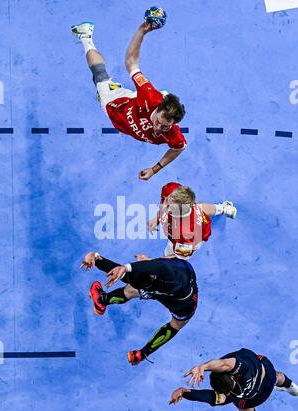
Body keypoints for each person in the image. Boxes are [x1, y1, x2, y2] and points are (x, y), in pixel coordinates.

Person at [71, 21, 187, 180]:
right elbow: (131, 63)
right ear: (158, 108)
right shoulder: (149, 96)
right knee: (99, 76)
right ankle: (85, 36)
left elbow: (177, 148)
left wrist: (155, 169)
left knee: (102, 86)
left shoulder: (174, 135)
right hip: (117, 104)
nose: (159, 128)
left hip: (129, 116)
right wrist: (141, 32)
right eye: (159, 121)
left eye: (165, 126)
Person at [80, 251, 198, 365]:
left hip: (183, 301)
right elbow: (124, 272)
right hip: (169, 276)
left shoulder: (169, 276)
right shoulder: (158, 268)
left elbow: (160, 267)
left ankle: (144, 352)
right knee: (132, 287)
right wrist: (95, 258)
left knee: (176, 324)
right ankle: (102, 300)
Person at [169, 347, 298, 411]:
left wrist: (184, 393)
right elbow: (224, 364)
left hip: (255, 398)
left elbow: (209, 397)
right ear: (234, 376)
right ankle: (290, 386)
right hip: (267, 377)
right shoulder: (244, 368)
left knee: (243, 406)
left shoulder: (229, 395)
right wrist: (203, 366)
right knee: (277, 376)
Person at [147, 182, 237, 259]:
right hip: (194, 218)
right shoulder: (175, 193)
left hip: (195, 237)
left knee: (169, 254)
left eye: (168, 206)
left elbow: (178, 258)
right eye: (165, 200)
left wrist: (154, 262)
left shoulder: (184, 236)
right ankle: (223, 208)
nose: (162, 205)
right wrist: (156, 219)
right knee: (201, 207)